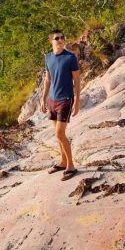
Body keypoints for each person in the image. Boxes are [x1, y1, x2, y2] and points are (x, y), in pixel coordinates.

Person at [40, 29, 80, 181]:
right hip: (52, 100)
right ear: (51, 41)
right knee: (58, 136)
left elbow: (77, 81)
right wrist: (43, 99)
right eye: (57, 38)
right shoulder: (48, 57)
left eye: (63, 37)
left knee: (59, 134)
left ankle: (71, 166)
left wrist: (77, 101)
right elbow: (47, 80)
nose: (61, 40)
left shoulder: (70, 57)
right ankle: (63, 162)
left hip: (65, 100)